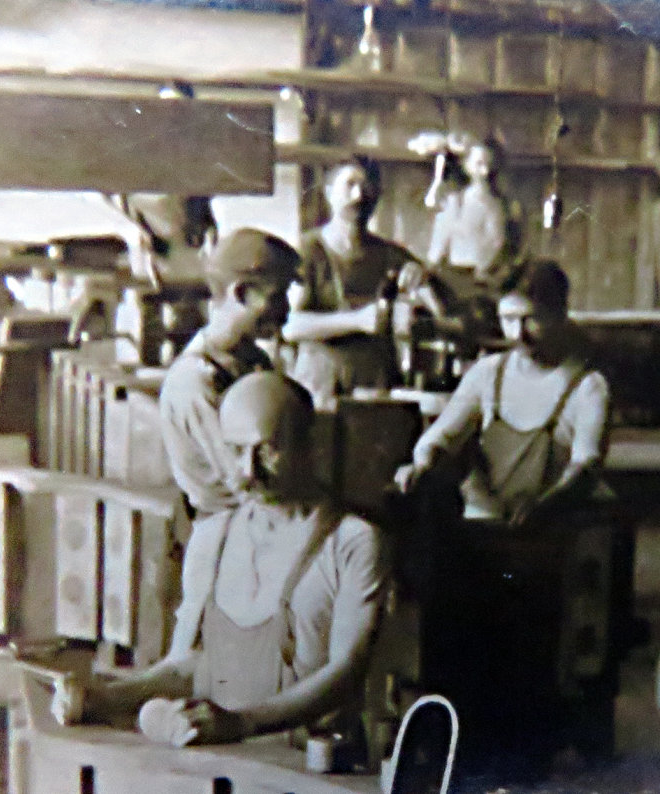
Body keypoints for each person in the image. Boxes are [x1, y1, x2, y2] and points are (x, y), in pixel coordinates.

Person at [51, 372, 385, 749]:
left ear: (311, 445)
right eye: (235, 450)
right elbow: (183, 667)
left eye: (267, 451)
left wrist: (240, 724)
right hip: (215, 758)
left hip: (304, 768)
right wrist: (106, 696)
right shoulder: (213, 537)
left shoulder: (353, 542)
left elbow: (346, 672)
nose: (248, 472)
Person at [394, 259, 609, 525]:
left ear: (560, 315)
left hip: (549, 534)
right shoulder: (487, 373)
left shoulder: (588, 387)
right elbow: (440, 438)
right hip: (481, 528)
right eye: (508, 320)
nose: (519, 335)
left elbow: (585, 468)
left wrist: (545, 505)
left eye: (531, 320)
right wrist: (423, 467)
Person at [159, 228, 300, 518]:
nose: (286, 310)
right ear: (242, 293)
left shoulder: (253, 359)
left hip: (262, 515)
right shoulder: (195, 380)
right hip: (226, 529)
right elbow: (246, 481)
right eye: (277, 297)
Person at [283, 157, 427, 407]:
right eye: (349, 184)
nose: (359, 195)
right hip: (320, 390)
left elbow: (436, 304)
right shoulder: (309, 251)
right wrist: (357, 321)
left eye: (367, 186)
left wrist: (422, 274)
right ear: (329, 193)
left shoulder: (390, 255)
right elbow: (289, 326)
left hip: (376, 389)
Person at [424, 138, 512, 302]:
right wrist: (430, 266)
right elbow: (440, 238)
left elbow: (496, 242)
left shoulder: (495, 206)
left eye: (488, 165)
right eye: (479, 164)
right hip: (452, 278)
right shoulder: (454, 201)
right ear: (467, 166)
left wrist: (485, 270)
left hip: (481, 280)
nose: (484, 171)